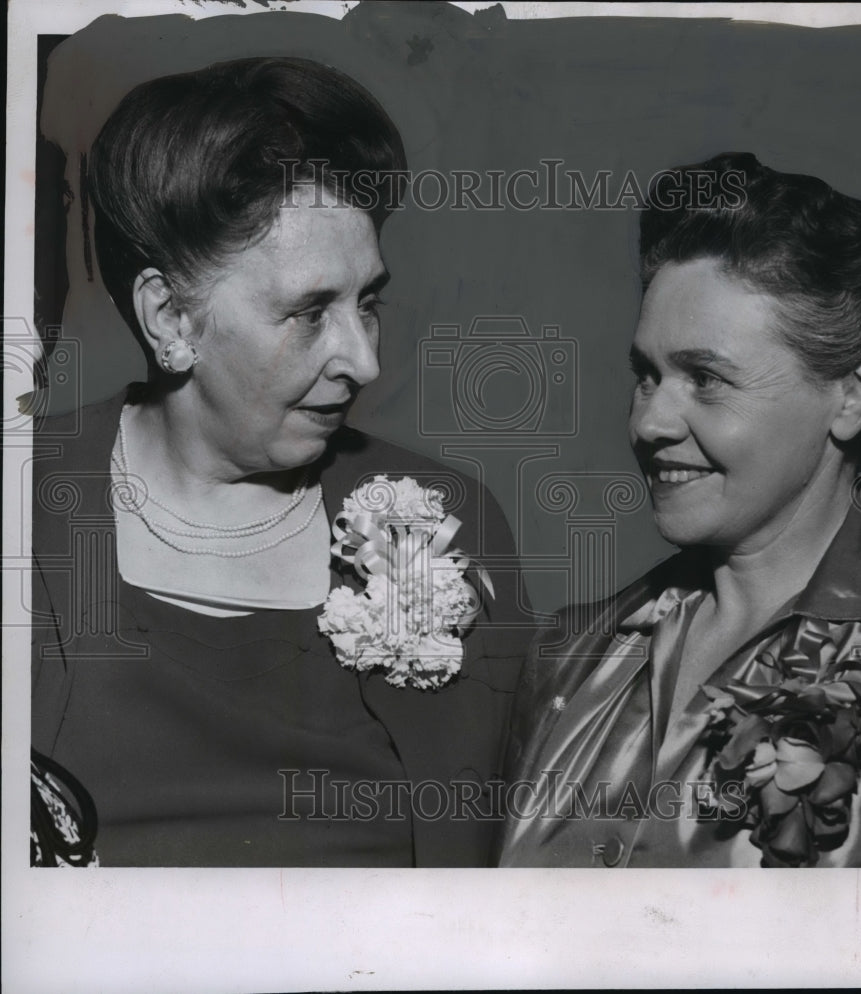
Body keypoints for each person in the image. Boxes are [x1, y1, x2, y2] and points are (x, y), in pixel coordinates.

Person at [31, 57, 530, 867]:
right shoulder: (24, 502)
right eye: (309, 312)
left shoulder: (446, 519)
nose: (363, 361)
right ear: (171, 317)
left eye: (368, 302)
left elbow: (490, 863)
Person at [498, 152, 861, 868]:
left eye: (706, 377)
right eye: (647, 375)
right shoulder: (571, 655)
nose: (649, 423)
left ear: (855, 391)